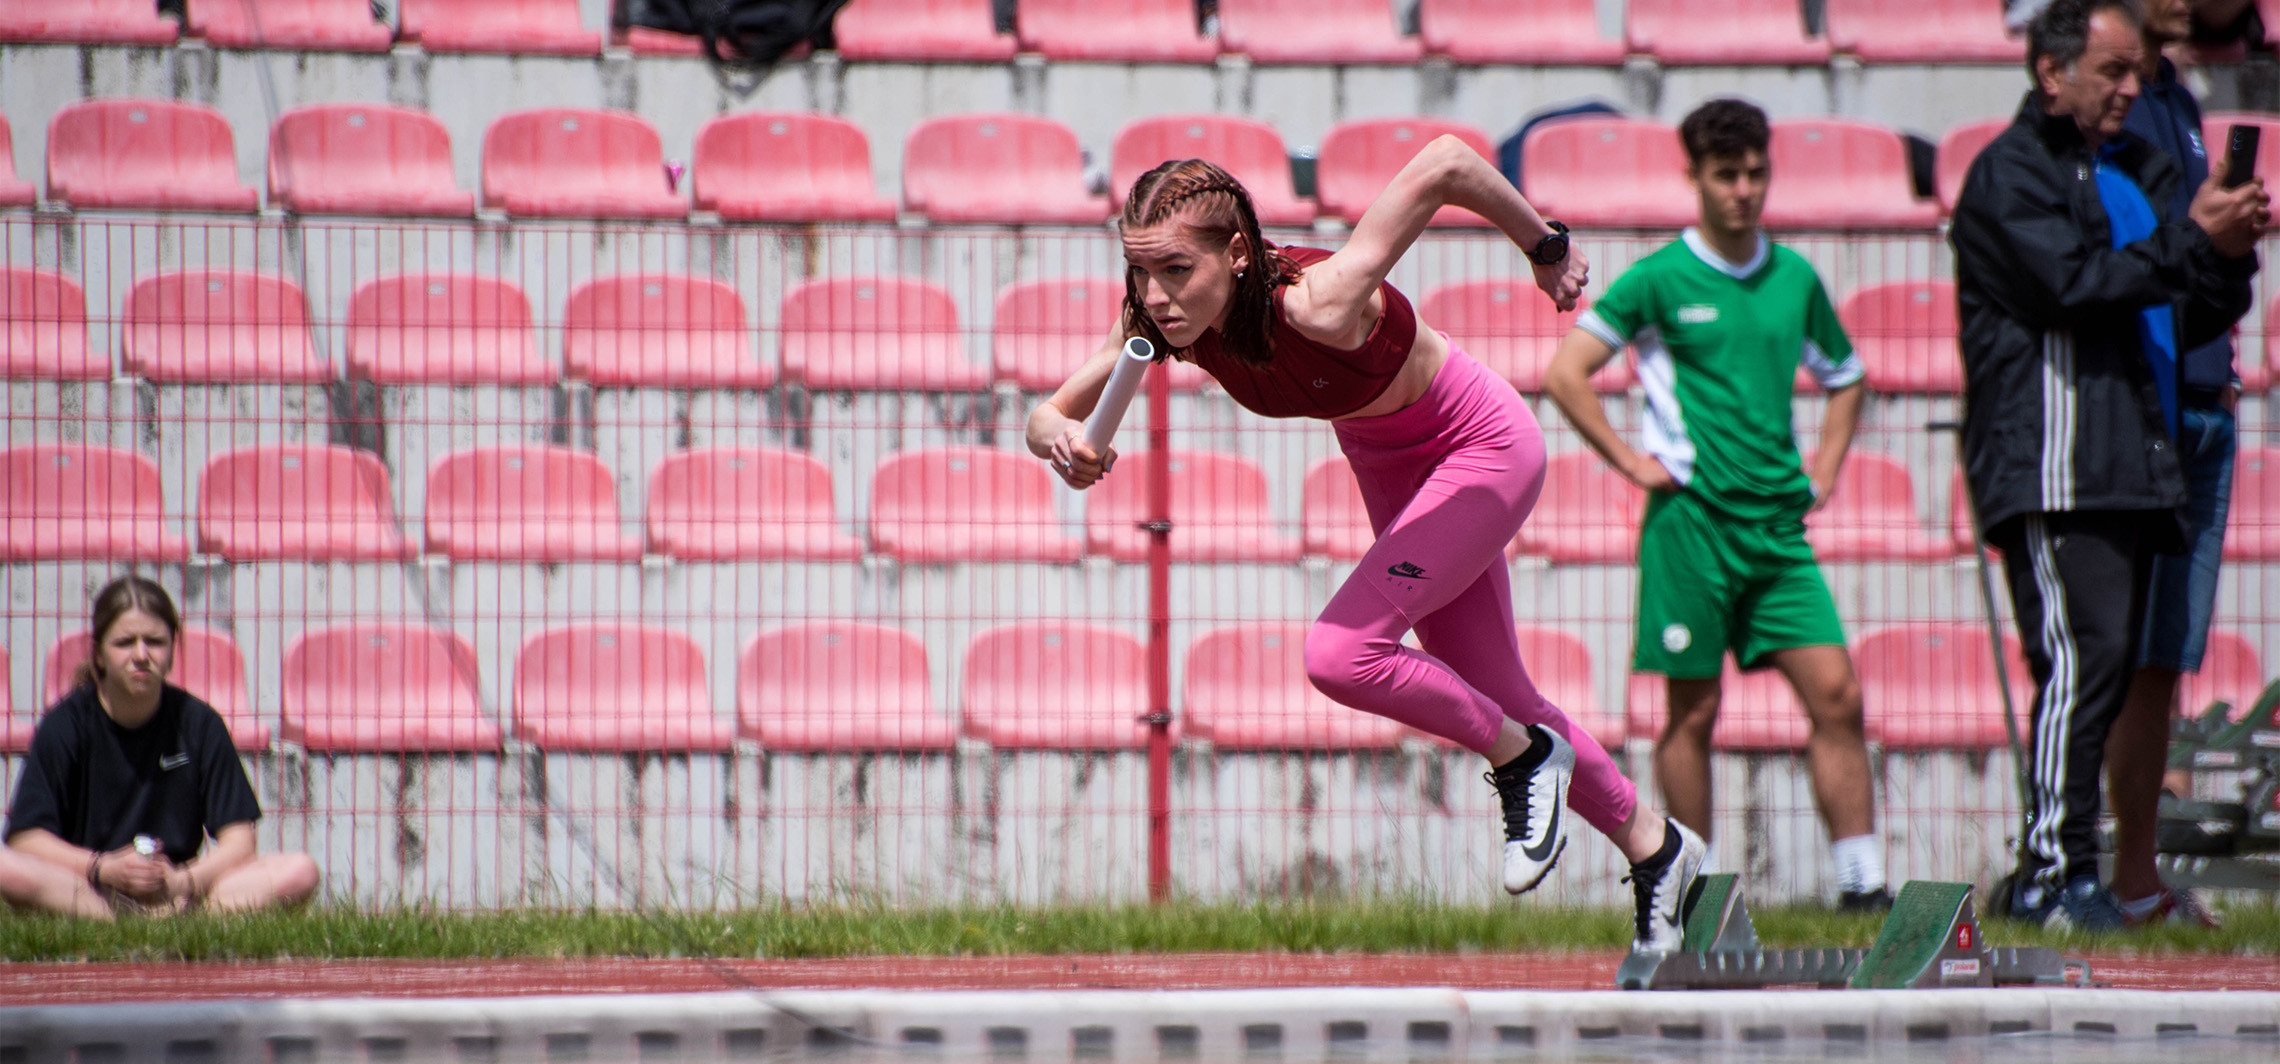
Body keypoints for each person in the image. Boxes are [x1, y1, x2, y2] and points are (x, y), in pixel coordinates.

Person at [1027, 150, 1705, 951]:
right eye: (1140, 272)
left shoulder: (1320, 302)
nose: (1154, 296)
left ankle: (1525, 763)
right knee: (1499, 690)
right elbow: (1045, 415)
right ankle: (1661, 851)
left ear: (1236, 254)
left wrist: (1544, 247)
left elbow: (1446, 164)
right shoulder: (1156, 319)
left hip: (1478, 447)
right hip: (1390, 465)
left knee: (1340, 654)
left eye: (1176, 269)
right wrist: (1064, 442)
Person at [1951, 0, 2264, 929]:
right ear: (2053, 73)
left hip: (2128, 456)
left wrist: (2227, 257)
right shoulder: (2009, 174)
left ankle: (2072, 871)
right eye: (2115, 71)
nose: (2135, 88)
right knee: (2081, 662)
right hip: (2054, 462)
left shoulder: (2128, 170)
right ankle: (2051, 871)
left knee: (2109, 665)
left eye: (2139, 72)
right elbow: (2072, 288)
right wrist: (2188, 243)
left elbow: (2182, 305)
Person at [1543, 98, 1890, 912]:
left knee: (1837, 695)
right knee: (1693, 713)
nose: (1743, 190)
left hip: (1777, 530)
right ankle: (1694, 894)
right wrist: (1631, 461)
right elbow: (1566, 374)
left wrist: (1827, 468)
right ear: (1694, 177)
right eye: (1726, 174)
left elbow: (1847, 379)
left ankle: (1863, 887)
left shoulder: (1795, 278)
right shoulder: (1661, 278)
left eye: (1755, 173)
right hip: (1690, 527)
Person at [2106, 0, 2233, 930]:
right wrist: (2200, 233)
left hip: (2205, 401)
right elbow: (2121, 265)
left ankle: (2138, 878)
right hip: (2142, 410)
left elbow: (2192, 274)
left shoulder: (2179, 98)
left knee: (2161, 664)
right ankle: (2085, 870)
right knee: (2113, 658)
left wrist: (2229, 248)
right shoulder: (2112, 116)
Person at [5, 576, 321, 916]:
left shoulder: (199, 723)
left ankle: (178, 924)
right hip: (89, 889)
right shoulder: (65, 724)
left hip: (180, 895)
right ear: (98, 654)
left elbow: (240, 842)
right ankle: (109, 925)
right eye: (125, 642)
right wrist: (104, 867)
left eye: (154, 642)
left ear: (172, 651)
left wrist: (182, 881)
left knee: (300, 870)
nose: (141, 655)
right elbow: (25, 839)